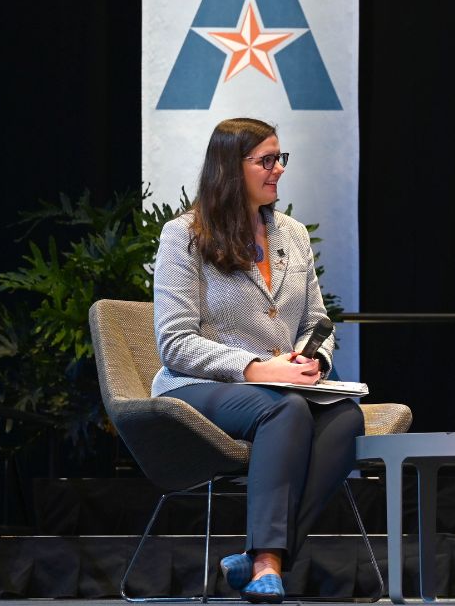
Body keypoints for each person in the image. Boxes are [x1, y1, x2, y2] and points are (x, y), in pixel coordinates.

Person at [152, 118, 363, 604]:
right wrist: (256, 368)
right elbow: (175, 342)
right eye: (266, 161)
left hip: (282, 384)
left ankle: (264, 559)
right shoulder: (183, 236)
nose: (278, 171)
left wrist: (314, 363)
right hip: (194, 386)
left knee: (345, 418)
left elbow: (316, 319)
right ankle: (268, 560)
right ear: (230, 167)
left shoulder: (289, 232)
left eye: (279, 159)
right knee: (282, 409)